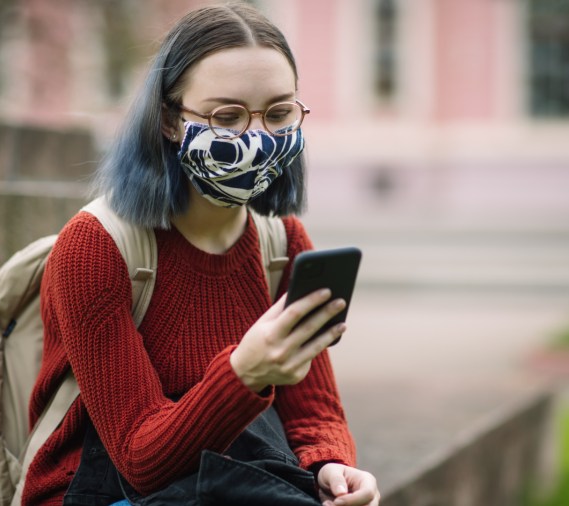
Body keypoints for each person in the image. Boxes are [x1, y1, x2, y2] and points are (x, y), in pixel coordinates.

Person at [23, 3, 379, 505]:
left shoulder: (283, 243)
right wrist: (244, 374)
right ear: (170, 120)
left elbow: (312, 413)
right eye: (227, 116)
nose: (257, 138)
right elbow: (141, 460)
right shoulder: (94, 248)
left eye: (279, 113)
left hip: (234, 481)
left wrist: (334, 466)